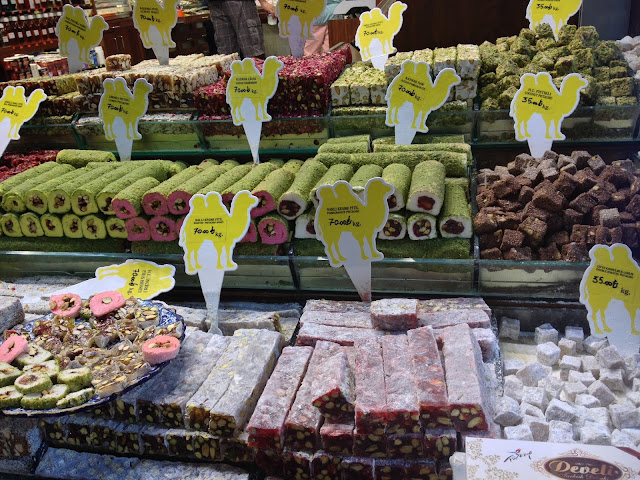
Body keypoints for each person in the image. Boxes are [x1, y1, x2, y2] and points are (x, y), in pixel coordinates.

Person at [208, 0, 276, 59]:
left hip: (240, 3)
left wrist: (263, 2)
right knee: (226, 57)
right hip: (215, 4)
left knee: (253, 52)